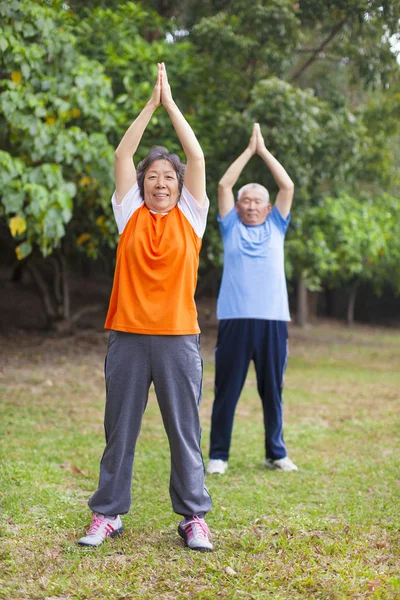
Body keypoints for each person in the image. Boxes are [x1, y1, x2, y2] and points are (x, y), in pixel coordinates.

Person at [78, 63, 212, 551]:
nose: (160, 183)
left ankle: (194, 517)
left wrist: (171, 105)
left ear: (179, 188)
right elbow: (122, 152)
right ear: (141, 185)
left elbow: (195, 156)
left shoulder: (191, 219)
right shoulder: (129, 212)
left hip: (178, 338)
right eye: (152, 177)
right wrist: (148, 106)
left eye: (168, 178)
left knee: (185, 432)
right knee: (120, 431)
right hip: (129, 337)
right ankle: (107, 514)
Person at [206, 123, 298, 475]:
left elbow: (287, 185)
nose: (250, 205)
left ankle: (275, 452)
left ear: (268, 206)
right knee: (227, 389)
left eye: (257, 200)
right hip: (235, 319)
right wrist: (248, 151)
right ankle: (219, 454)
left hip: (273, 319)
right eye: (246, 201)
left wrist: (264, 151)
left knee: (272, 389)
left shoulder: (277, 226)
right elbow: (224, 185)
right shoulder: (230, 228)